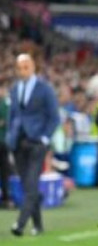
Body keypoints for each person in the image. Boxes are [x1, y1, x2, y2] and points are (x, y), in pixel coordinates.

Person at [6, 54, 60, 236]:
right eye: (19, 67)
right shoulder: (14, 90)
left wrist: (45, 138)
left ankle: (20, 224)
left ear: (33, 66)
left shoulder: (44, 89)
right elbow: (13, 116)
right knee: (27, 185)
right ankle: (38, 225)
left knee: (31, 182)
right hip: (18, 142)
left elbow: (54, 117)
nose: (22, 71)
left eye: (26, 66)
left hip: (37, 142)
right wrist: (10, 137)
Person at [0, 84, 13, 209]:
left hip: (4, 142)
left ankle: (6, 197)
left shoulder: (6, 103)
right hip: (3, 142)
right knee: (5, 171)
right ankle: (6, 198)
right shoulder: (5, 104)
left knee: (5, 171)